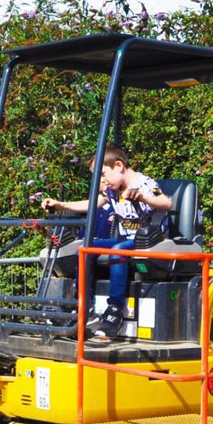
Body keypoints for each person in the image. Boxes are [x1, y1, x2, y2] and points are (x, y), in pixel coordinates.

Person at [41, 144, 172, 340]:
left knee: (117, 250)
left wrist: (143, 197)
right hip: (126, 240)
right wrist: (60, 205)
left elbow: (167, 203)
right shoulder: (113, 190)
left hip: (149, 241)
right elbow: (91, 204)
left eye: (103, 174)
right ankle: (83, 306)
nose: (102, 180)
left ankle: (115, 309)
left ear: (118, 166)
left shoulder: (144, 183)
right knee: (85, 248)